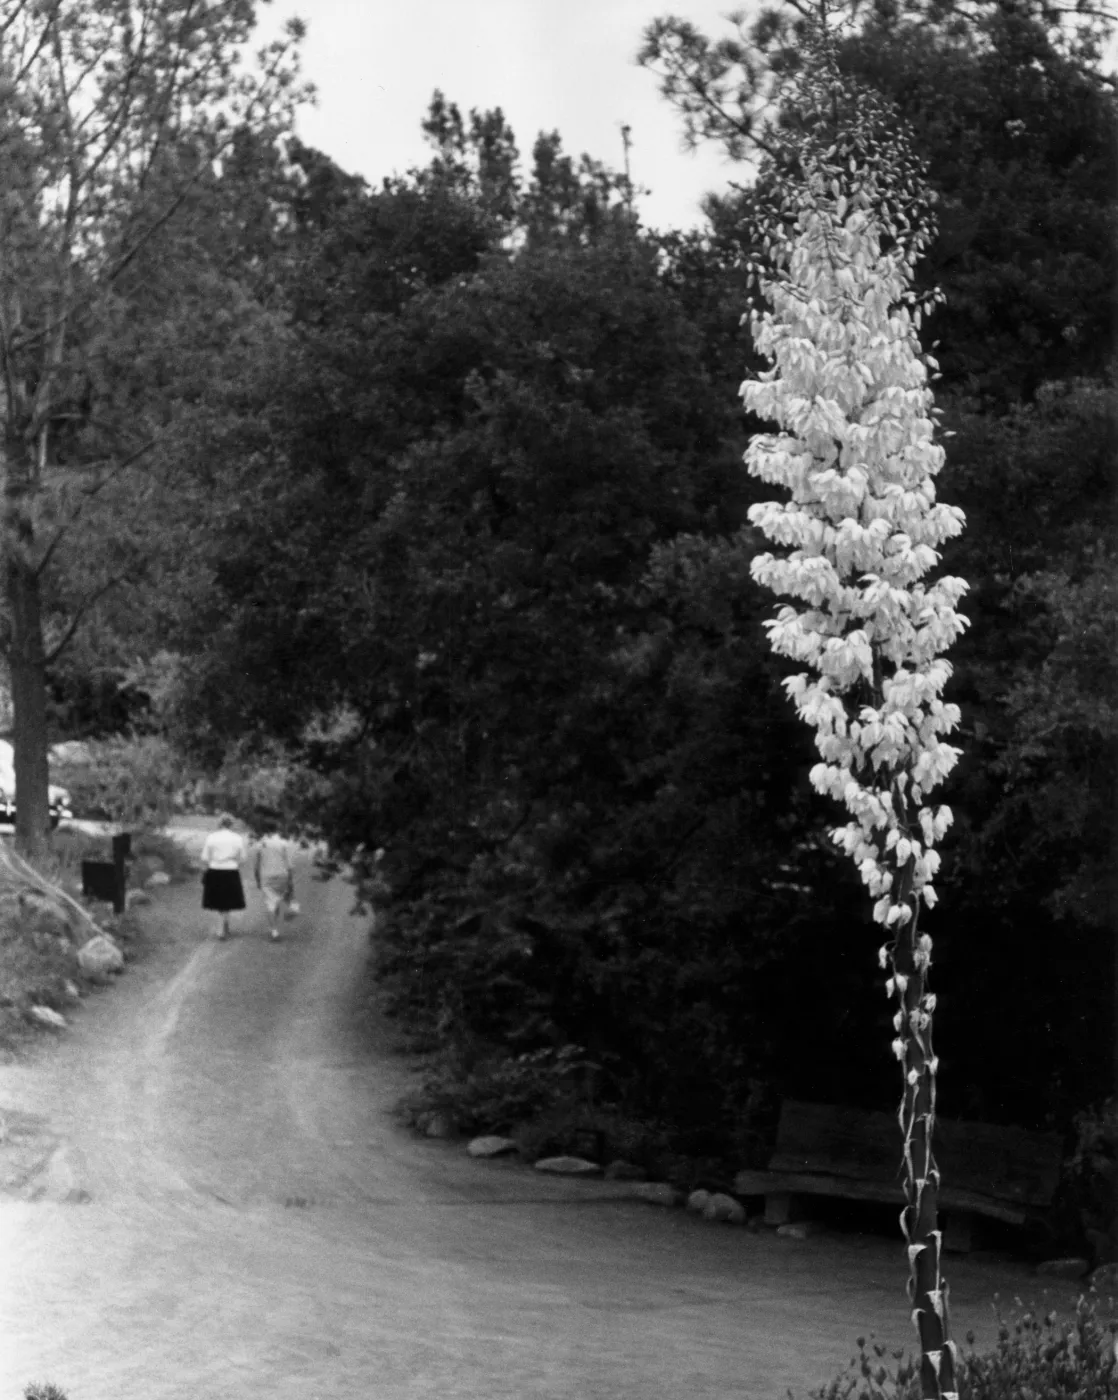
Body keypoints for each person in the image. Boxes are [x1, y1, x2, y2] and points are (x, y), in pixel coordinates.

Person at [200, 814, 247, 940]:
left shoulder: (211, 837)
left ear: (219, 824)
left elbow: (205, 857)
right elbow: (242, 858)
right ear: (231, 824)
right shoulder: (237, 838)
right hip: (231, 870)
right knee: (227, 900)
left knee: (219, 901)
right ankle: (224, 925)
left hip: (215, 870)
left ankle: (221, 928)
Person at [253, 814, 295, 942]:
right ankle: (277, 924)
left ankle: (274, 930)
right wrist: (291, 880)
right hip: (282, 875)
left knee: (270, 903)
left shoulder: (260, 844)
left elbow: (256, 865)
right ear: (277, 829)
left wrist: (257, 880)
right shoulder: (284, 843)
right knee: (279, 900)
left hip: (266, 876)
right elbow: (289, 864)